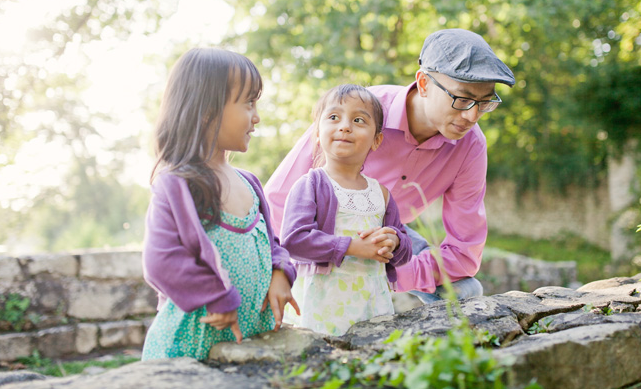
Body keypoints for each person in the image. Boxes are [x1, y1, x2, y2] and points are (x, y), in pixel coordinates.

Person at [266, 29, 515, 303]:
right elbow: (277, 199)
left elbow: (464, 252)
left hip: (390, 240)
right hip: (316, 232)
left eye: (484, 103)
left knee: (466, 293)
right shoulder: (358, 112)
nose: (472, 116)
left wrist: (389, 273)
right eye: (462, 99)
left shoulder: (471, 146)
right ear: (423, 84)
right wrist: (288, 268)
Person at [141, 48, 299, 360]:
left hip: (246, 346)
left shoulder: (250, 183)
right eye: (248, 103)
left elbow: (272, 244)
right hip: (187, 351)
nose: (257, 117)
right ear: (206, 110)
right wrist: (218, 297)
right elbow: (161, 261)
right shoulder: (177, 184)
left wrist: (281, 272)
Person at [280, 84, 412, 335]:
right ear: (318, 133)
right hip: (322, 307)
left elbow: (404, 252)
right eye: (333, 117)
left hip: (371, 306)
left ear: (376, 140)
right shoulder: (311, 185)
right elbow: (294, 241)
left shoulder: (381, 194)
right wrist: (352, 247)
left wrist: (394, 242)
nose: (345, 126)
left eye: (359, 120)